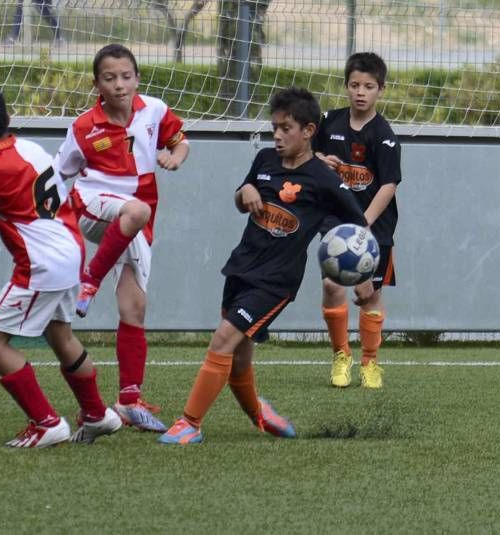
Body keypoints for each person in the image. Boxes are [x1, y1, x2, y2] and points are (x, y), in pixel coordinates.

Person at [158, 87, 368, 445]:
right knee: (239, 360)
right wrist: (246, 193)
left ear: (308, 131)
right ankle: (259, 413)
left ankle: (190, 423)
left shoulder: (323, 178)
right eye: (274, 127)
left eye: (286, 128)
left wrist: (361, 273)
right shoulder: (265, 160)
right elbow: (242, 197)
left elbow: (357, 226)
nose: (277, 134)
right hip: (241, 267)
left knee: (223, 338)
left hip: (276, 281)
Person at [0, 86, 121, 448]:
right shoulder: (31, 148)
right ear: (7, 119)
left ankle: (46, 423)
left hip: (42, 264)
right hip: (71, 252)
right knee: (60, 335)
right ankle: (97, 415)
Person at [54, 44, 190, 433]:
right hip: (94, 203)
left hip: (137, 214)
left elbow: (180, 141)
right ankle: (90, 279)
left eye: (126, 76)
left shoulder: (155, 110)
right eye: (110, 78)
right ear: (97, 83)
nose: (119, 85)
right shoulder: (84, 126)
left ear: (137, 78)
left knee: (134, 306)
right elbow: (59, 172)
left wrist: (176, 157)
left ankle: (129, 399)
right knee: (136, 210)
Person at [313, 52, 402, 389]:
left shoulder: (384, 135)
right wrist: (322, 158)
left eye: (368, 86)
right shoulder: (328, 122)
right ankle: (341, 356)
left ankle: (370, 362)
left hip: (373, 227)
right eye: (354, 85)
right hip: (335, 222)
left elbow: (389, 185)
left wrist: (361, 224)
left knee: (369, 294)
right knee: (331, 284)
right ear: (346, 87)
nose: (360, 92)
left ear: (381, 89)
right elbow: (304, 153)